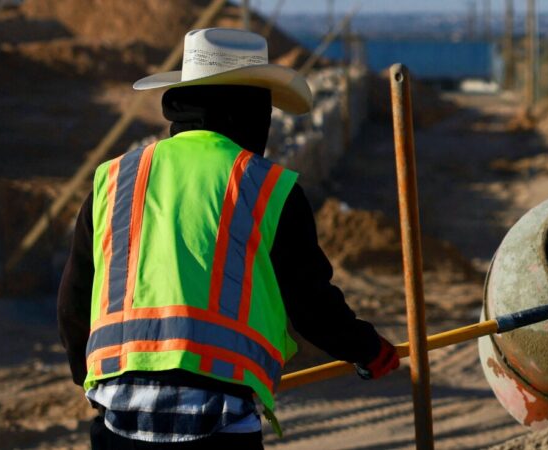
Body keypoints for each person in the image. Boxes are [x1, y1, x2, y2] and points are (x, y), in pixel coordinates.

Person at [57, 28, 399, 449]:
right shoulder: (266, 187)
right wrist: (368, 349)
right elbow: (310, 303)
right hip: (217, 425)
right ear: (248, 107)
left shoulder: (115, 179)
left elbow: (75, 301)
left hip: (117, 422)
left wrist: (94, 383)